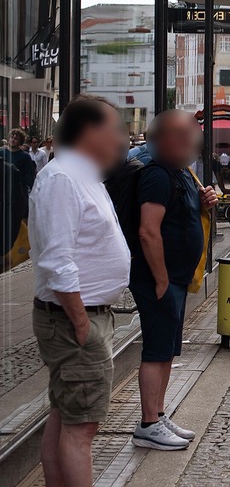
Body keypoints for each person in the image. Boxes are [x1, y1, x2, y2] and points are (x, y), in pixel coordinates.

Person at [29, 96, 131, 487]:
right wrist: (80, 323)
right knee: (82, 427)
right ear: (90, 132)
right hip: (75, 319)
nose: (121, 139)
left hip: (83, 316)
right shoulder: (62, 178)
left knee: (66, 416)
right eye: (115, 129)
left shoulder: (83, 174)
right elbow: (58, 259)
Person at [128, 111, 217, 450]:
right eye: (181, 136)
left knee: (166, 350)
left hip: (176, 280)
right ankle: (149, 423)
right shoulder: (157, 176)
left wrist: (206, 202)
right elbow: (148, 231)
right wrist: (162, 280)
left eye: (191, 135)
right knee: (156, 350)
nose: (190, 142)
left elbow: (183, 217)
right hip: (159, 280)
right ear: (162, 140)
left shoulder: (181, 173)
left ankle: (158, 414)